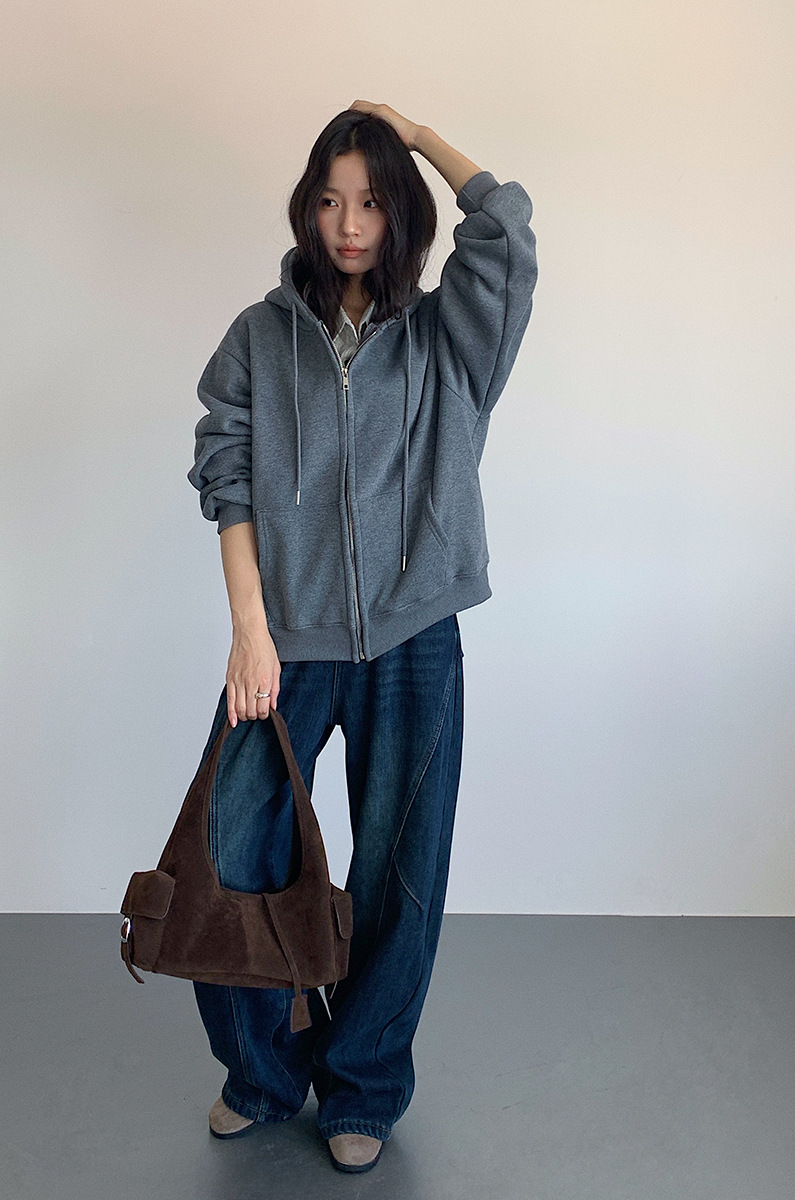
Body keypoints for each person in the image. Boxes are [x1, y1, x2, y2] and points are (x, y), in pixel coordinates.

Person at [187, 100, 537, 1173]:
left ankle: (364, 1086)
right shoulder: (259, 337)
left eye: (373, 201)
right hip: (284, 642)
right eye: (333, 200)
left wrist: (415, 136)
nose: (349, 224)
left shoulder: (450, 338)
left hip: (413, 640)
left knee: (400, 873)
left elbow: (507, 227)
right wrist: (251, 631)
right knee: (229, 853)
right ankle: (262, 1072)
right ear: (307, 206)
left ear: (401, 214)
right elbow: (227, 476)